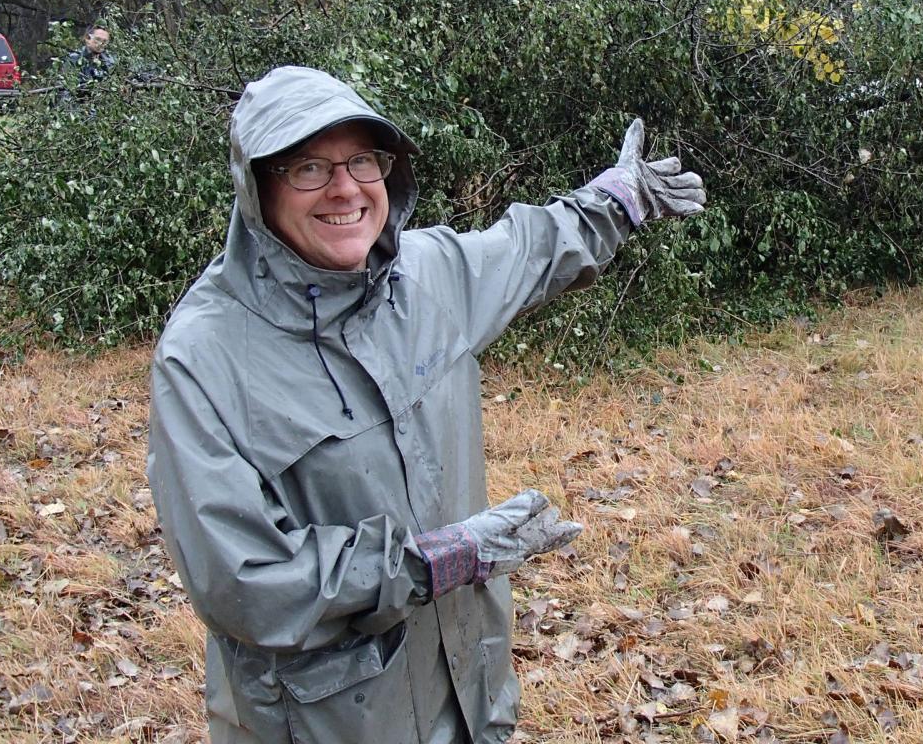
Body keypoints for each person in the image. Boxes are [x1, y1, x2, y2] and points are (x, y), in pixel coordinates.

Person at [146, 65, 706, 744]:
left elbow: (526, 250)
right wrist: (429, 562)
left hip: (466, 693)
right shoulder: (205, 356)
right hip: (327, 723)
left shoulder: (425, 276)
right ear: (258, 186)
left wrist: (619, 198)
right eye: (309, 169)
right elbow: (244, 584)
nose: (345, 188)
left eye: (361, 160)